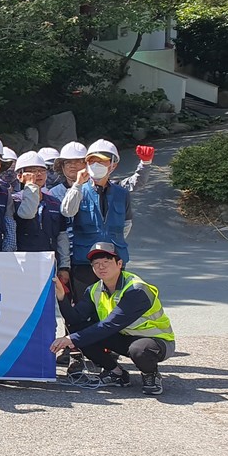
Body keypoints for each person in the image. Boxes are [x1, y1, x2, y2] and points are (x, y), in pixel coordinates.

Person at [52, 242, 173, 396]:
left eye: (106, 262)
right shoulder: (94, 289)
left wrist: (71, 339)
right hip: (123, 337)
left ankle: (150, 374)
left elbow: (110, 325)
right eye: (96, 263)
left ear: (119, 264)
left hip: (156, 341)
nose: (101, 267)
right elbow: (75, 319)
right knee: (78, 330)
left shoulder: (136, 289)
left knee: (139, 350)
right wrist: (62, 296)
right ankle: (116, 373)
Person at [66, 139, 137, 296]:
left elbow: (126, 224)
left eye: (101, 161)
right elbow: (67, 212)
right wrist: (77, 185)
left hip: (114, 259)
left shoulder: (122, 193)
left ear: (113, 165)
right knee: (85, 307)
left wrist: (112, 240)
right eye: (92, 161)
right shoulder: (79, 190)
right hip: (85, 260)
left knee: (114, 305)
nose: (95, 165)